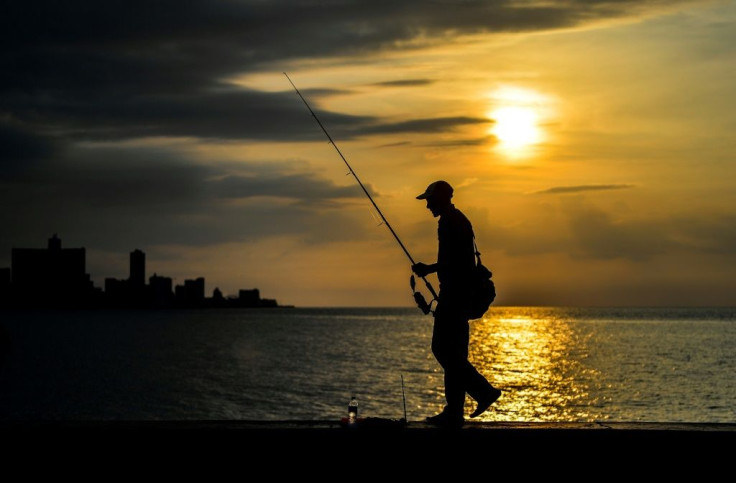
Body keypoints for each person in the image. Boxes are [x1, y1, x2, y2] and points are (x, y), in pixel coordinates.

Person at [412, 180, 501, 426]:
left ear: (441, 198)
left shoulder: (449, 222)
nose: (427, 204)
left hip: (454, 296)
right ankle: (454, 412)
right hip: (459, 295)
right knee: (456, 353)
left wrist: (428, 268)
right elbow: (460, 261)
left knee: (442, 349)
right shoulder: (459, 219)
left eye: (429, 199)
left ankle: (483, 392)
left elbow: (454, 262)